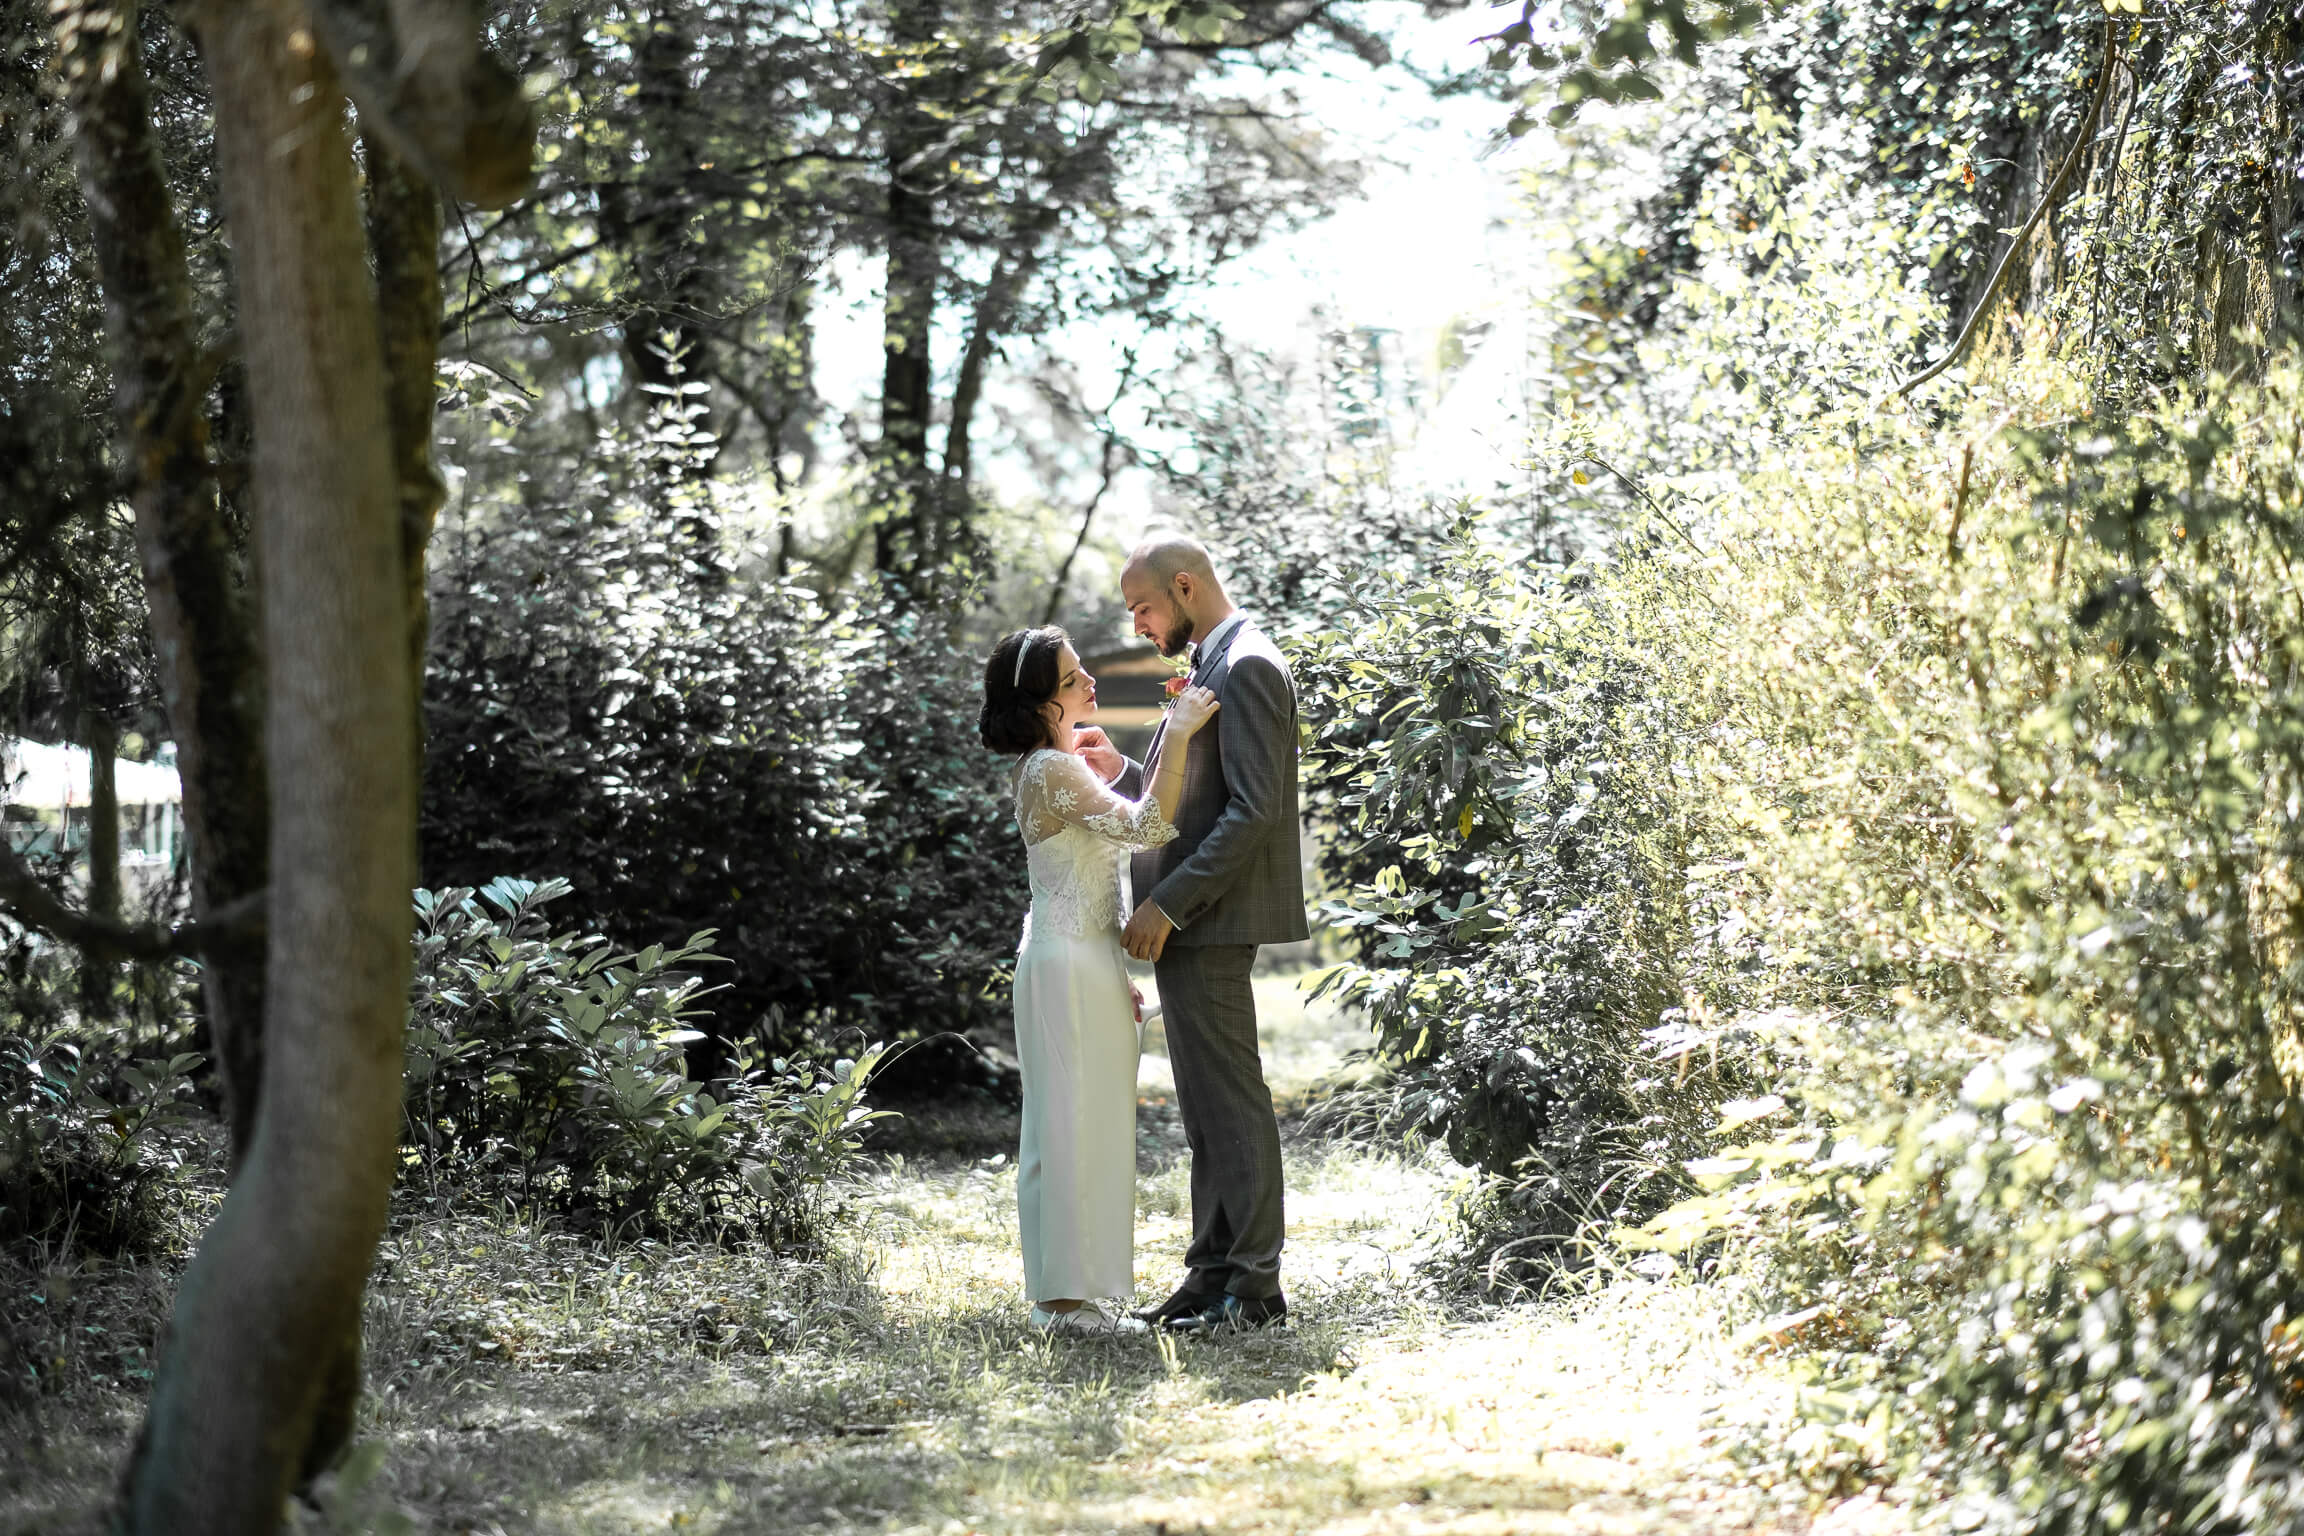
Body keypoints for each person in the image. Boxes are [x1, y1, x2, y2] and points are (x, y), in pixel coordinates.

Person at [1074, 535, 1308, 1335]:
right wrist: (1125, 776)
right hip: (1192, 922)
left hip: (1209, 918)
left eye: (1142, 606)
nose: (1138, 624)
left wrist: (1167, 905)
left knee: (1230, 1101)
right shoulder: (1215, 660)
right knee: (1205, 1107)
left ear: (1183, 586)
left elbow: (1253, 811)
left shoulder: (1249, 665)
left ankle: (1255, 1289)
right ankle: (1209, 1277)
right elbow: (1191, 801)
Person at [980, 624, 1221, 1336]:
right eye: (1073, 679)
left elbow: (1092, 859)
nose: (1090, 682)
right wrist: (1176, 733)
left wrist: (1114, 971)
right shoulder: (1050, 771)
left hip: (1081, 961)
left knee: (1087, 1123)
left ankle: (1076, 1297)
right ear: (1043, 702)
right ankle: (1063, 1305)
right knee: (1069, 1126)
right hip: (1065, 966)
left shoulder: (1054, 769)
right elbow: (1148, 829)